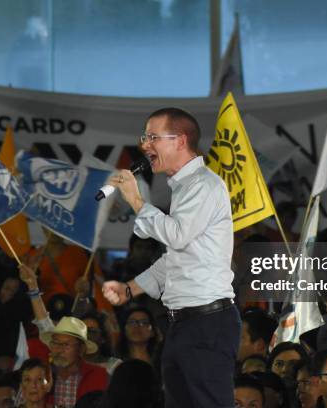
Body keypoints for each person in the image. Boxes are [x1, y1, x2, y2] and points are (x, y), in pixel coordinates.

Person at [101, 107, 241, 407]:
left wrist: (137, 200)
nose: (144, 146)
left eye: (153, 137)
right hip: (182, 323)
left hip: (207, 320)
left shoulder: (204, 184)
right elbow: (177, 257)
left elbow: (176, 234)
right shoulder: (183, 188)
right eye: (144, 137)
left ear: (180, 140)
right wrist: (130, 289)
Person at [19, 263, 108, 406]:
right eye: (55, 343)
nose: (58, 349)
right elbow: (43, 323)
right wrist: (32, 286)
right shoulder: (39, 376)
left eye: (66, 344)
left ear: (81, 349)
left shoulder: (99, 375)